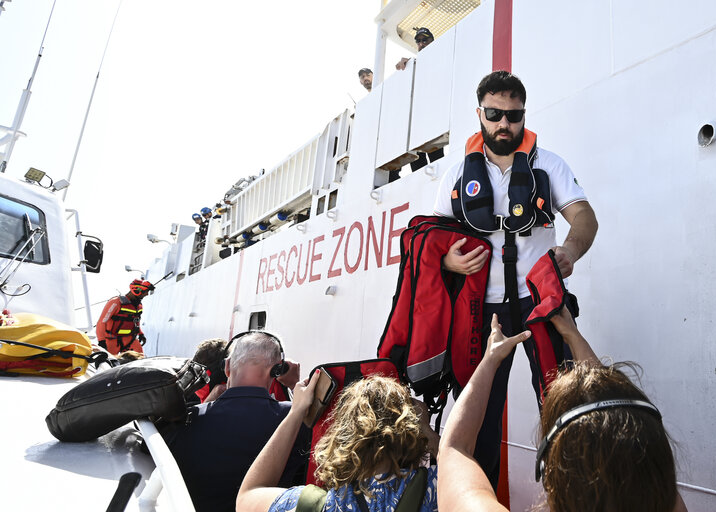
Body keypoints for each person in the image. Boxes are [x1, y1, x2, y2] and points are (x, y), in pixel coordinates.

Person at [432, 70, 598, 486]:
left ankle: (568, 494)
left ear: (524, 115)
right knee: (479, 418)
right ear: (480, 114)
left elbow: (584, 218)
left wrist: (571, 251)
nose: (504, 124)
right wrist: (448, 262)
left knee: (564, 406)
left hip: (540, 303)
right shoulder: (457, 174)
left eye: (513, 115)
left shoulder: (549, 164)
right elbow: (435, 236)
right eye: (494, 114)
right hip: (482, 312)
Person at [438, 308, 688, 512]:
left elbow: (454, 448)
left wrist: (491, 358)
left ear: (551, 474)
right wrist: (573, 336)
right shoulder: (670, 501)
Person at [236, 374, 441, 512]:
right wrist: (428, 432)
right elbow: (461, 462)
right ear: (411, 432)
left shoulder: (315, 504)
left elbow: (248, 496)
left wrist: (296, 412)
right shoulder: (434, 490)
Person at [165, 332, 307, 512]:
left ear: (226, 367)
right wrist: (294, 385)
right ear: (277, 370)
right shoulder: (293, 419)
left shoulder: (187, 419)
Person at [394, 27, 444, 176]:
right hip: (415, 122)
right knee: (417, 168)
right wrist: (405, 67)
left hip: (433, 119)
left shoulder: (442, 58)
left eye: (425, 40)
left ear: (432, 41)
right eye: (418, 41)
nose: (421, 44)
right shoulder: (413, 65)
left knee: (437, 163)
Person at [95, 279, 154, 355]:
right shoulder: (115, 302)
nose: (147, 294)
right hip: (112, 340)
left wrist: (140, 334)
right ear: (137, 290)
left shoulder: (139, 306)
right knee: (109, 363)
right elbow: (102, 322)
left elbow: (136, 321)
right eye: (146, 291)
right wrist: (101, 341)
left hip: (130, 340)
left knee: (140, 360)